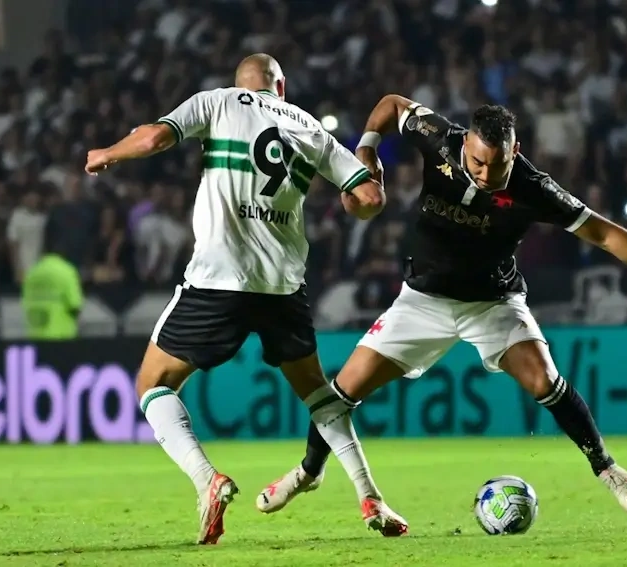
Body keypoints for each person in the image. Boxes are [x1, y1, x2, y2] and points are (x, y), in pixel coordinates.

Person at [259, 95, 627, 520]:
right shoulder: (437, 136)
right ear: (467, 144)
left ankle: (607, 468)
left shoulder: (533, 187)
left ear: (514, 154)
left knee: (545, 380)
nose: (483, 172)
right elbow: (391, 105)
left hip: (493, 304)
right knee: (339, 393)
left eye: (496, 165)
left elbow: (603, 233)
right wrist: (368, 150)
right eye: (477, 160)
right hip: (421, 302)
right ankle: (307, 472)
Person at [83, 54, 405, 545]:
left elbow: (153, 137)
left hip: (219, 278)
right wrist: (365, 166)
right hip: (282, 287)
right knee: (319, 394)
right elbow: (369, 201)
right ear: (282, 85)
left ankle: (207, 480)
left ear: (241, 84)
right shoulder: (309, 126)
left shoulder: (218, 102)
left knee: (152, 384)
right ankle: (370, 496)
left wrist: (108, 151)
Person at [21, 243, 83, 340]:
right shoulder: (67, 271)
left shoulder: (31, 272)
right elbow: (75, 305)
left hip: (34, 337)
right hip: (61, 338)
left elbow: (25, 303)